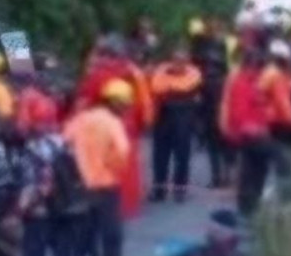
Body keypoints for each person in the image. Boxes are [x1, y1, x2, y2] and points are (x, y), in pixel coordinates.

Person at [13, 111, 85, 256]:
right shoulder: (63, 146)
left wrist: (20, 210)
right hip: (65, 213)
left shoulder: (28, 154)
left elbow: (32, 187)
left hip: (38, 217)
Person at [64, 81, 132, 256]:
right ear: (117, 102)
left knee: (80, 240)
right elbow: (121, 153)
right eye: (125, 105)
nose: (126, 109)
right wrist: (110, 168)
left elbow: (64, 144)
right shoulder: (113, 123)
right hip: (105, 187)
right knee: (111, 239)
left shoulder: (80, 119)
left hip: (80, 187)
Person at [74, 36, 154, 219]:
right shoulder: (133, 72)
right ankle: (125, 206)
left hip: (102, 128)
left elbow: (84, 101)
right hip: (128, 125)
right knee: (126, 166)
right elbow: (144, 101)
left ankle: (104, 208)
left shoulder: (97, 74)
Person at [149, 44, 203, 202]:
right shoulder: (161, 72)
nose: (178, 63)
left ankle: (180, 190)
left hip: (183, 119)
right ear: (171, 60)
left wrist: (170, 90)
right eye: (176, 59)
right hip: (163, 118)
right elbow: (156, 88)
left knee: (182, 156)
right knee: (160, 156)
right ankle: (159, 189)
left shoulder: (194, 75)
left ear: (187, 61)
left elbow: (189, 89)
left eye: (182, 60)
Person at [221, 50, 271, 216]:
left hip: (259, 131)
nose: (259, 71)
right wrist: (252, 129)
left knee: (257, 170)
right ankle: (247, 207)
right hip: (249, 134)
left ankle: (251, 205)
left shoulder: (256, 81)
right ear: (249, 66)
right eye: (257, 68)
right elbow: (238, 113)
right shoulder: (241, 83)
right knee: (251, 171)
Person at [191, 19, 232, 188]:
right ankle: (222, 175)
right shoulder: (215, 49)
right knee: (219, 140)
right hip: (214, 100)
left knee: (217, 140)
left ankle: (220, 176)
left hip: (213, 100)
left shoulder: (203, 50)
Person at [259, 40, 291, 197]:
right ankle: (286, 191)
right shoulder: (276, 75)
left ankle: (284, 187)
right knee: (284, 158)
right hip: (279, 122)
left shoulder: (271, 72)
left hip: (271, 121)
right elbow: (283, 102)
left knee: (280, 158)